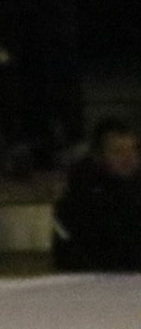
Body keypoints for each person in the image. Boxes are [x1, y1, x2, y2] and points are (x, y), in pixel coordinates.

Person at [51, 116, 141, 272]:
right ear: (99, 156)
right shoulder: (79, 198)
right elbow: (66, 252)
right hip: (93, 279)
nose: (128, 157)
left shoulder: (136, 191)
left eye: (133, 149)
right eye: (118, 151)